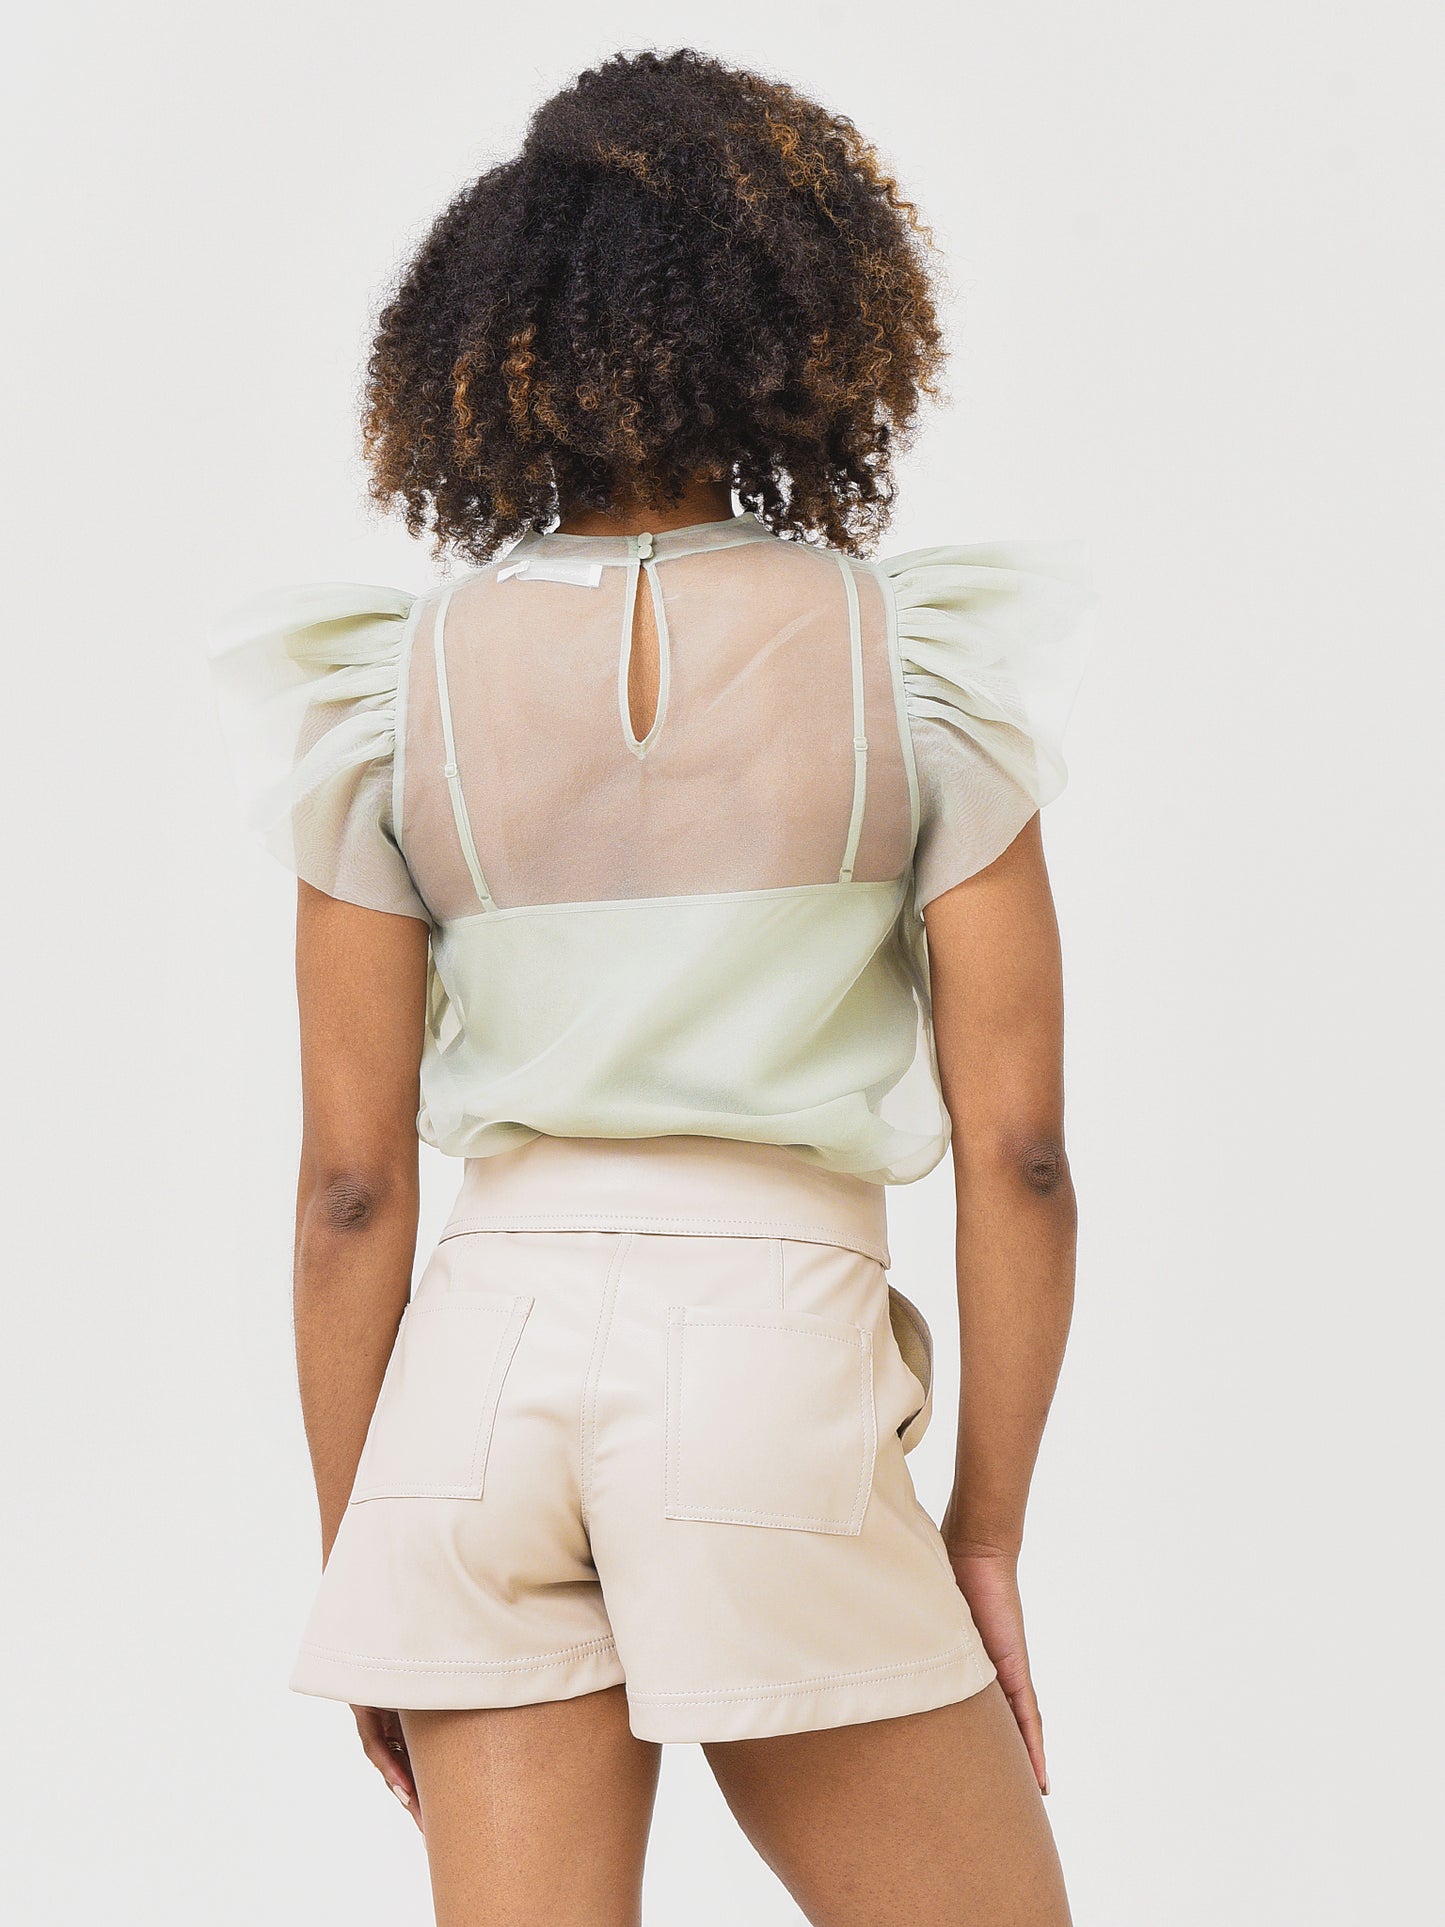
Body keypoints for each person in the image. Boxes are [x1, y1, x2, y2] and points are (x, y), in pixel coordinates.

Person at [207, 46, 1091, 1927]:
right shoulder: (905, 672)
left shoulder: (393, 699)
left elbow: (349, 1187)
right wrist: (987, 1531)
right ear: (809, 318)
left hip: (470, 1389)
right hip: (769, 1359)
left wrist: (370, 1554)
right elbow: (1017, 1154)